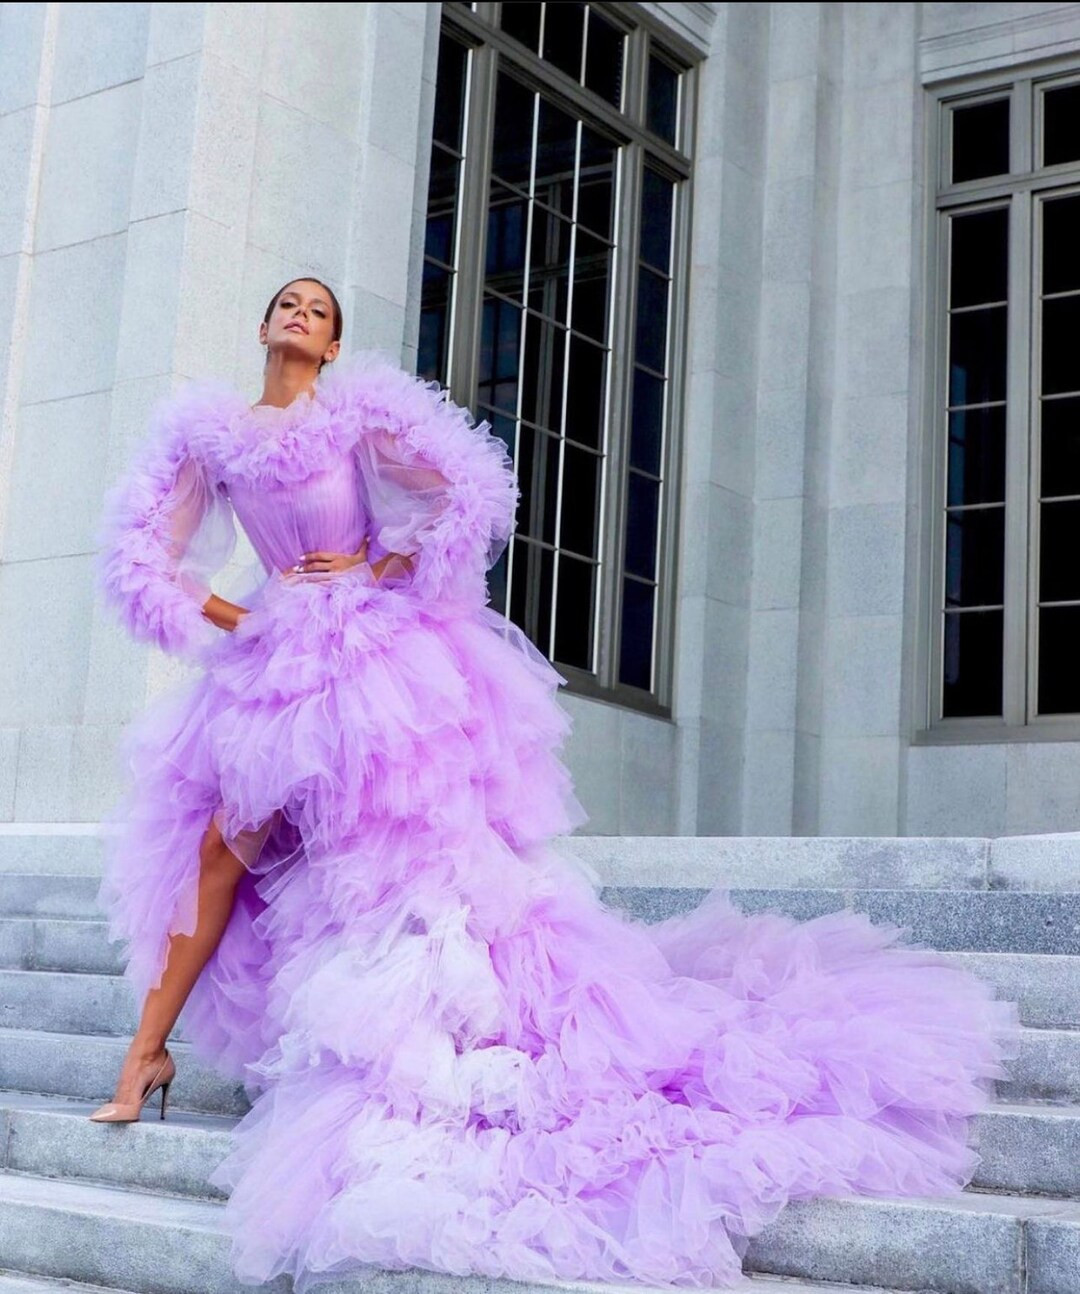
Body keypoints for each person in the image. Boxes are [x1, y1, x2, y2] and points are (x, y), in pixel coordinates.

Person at [90, 276, 1019, 1292]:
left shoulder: (358, 415)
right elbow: (143, 559)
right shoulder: (214, 435)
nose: (300, 313)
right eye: (286, 303)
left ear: (335, 340)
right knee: (223, 850)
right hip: (275, 673)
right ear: (263, 325)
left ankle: (425, 1052)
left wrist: (384, 575)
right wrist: (243, 621)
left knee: (389, 866)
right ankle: (147, 1052)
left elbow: (469, 493)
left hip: (369, 663)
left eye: (319, 307)